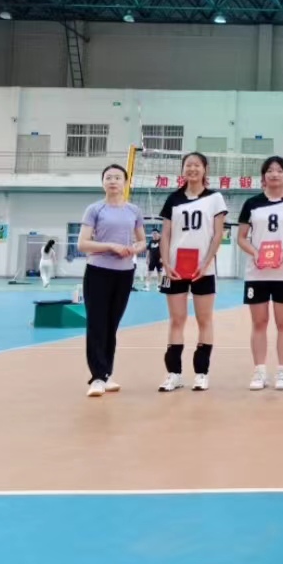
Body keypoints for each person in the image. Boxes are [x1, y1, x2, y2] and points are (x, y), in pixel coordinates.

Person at [158, 152, 228, 393]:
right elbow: (166, 234)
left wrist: (206, 262)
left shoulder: (215, 198)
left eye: (197, 165)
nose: (192, 169)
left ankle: (201, 373)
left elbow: (217, 235)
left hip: (203, 268)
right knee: (176, 319)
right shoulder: (173, 199)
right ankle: (174, 374)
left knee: (204, 319)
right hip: (176, 268)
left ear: (205, 169)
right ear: (183, 170)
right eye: (188, 165)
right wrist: (166, 263)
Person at [237, 156, 283, 392]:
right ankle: (259, 371)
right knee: (259, 322)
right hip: (256, 272)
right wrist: (256, 253)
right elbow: (241, 238)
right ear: (263, 175)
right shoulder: (251, 203)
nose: (274, 174)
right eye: (270, 170)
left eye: (279, 170)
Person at [77, 164, 146, 397]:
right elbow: (83, 244)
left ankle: (106, 374)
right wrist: (110, 246)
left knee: (111, 325)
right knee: (97, 324)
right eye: (108, 177)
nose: (113, 181)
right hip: (98, 271)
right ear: (103, 183)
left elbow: (142, 241)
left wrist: (134, 248)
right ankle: (97, 377)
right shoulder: (94, 209)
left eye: (117, 177)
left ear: (125, 182)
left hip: (124, 274)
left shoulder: (134, 211)